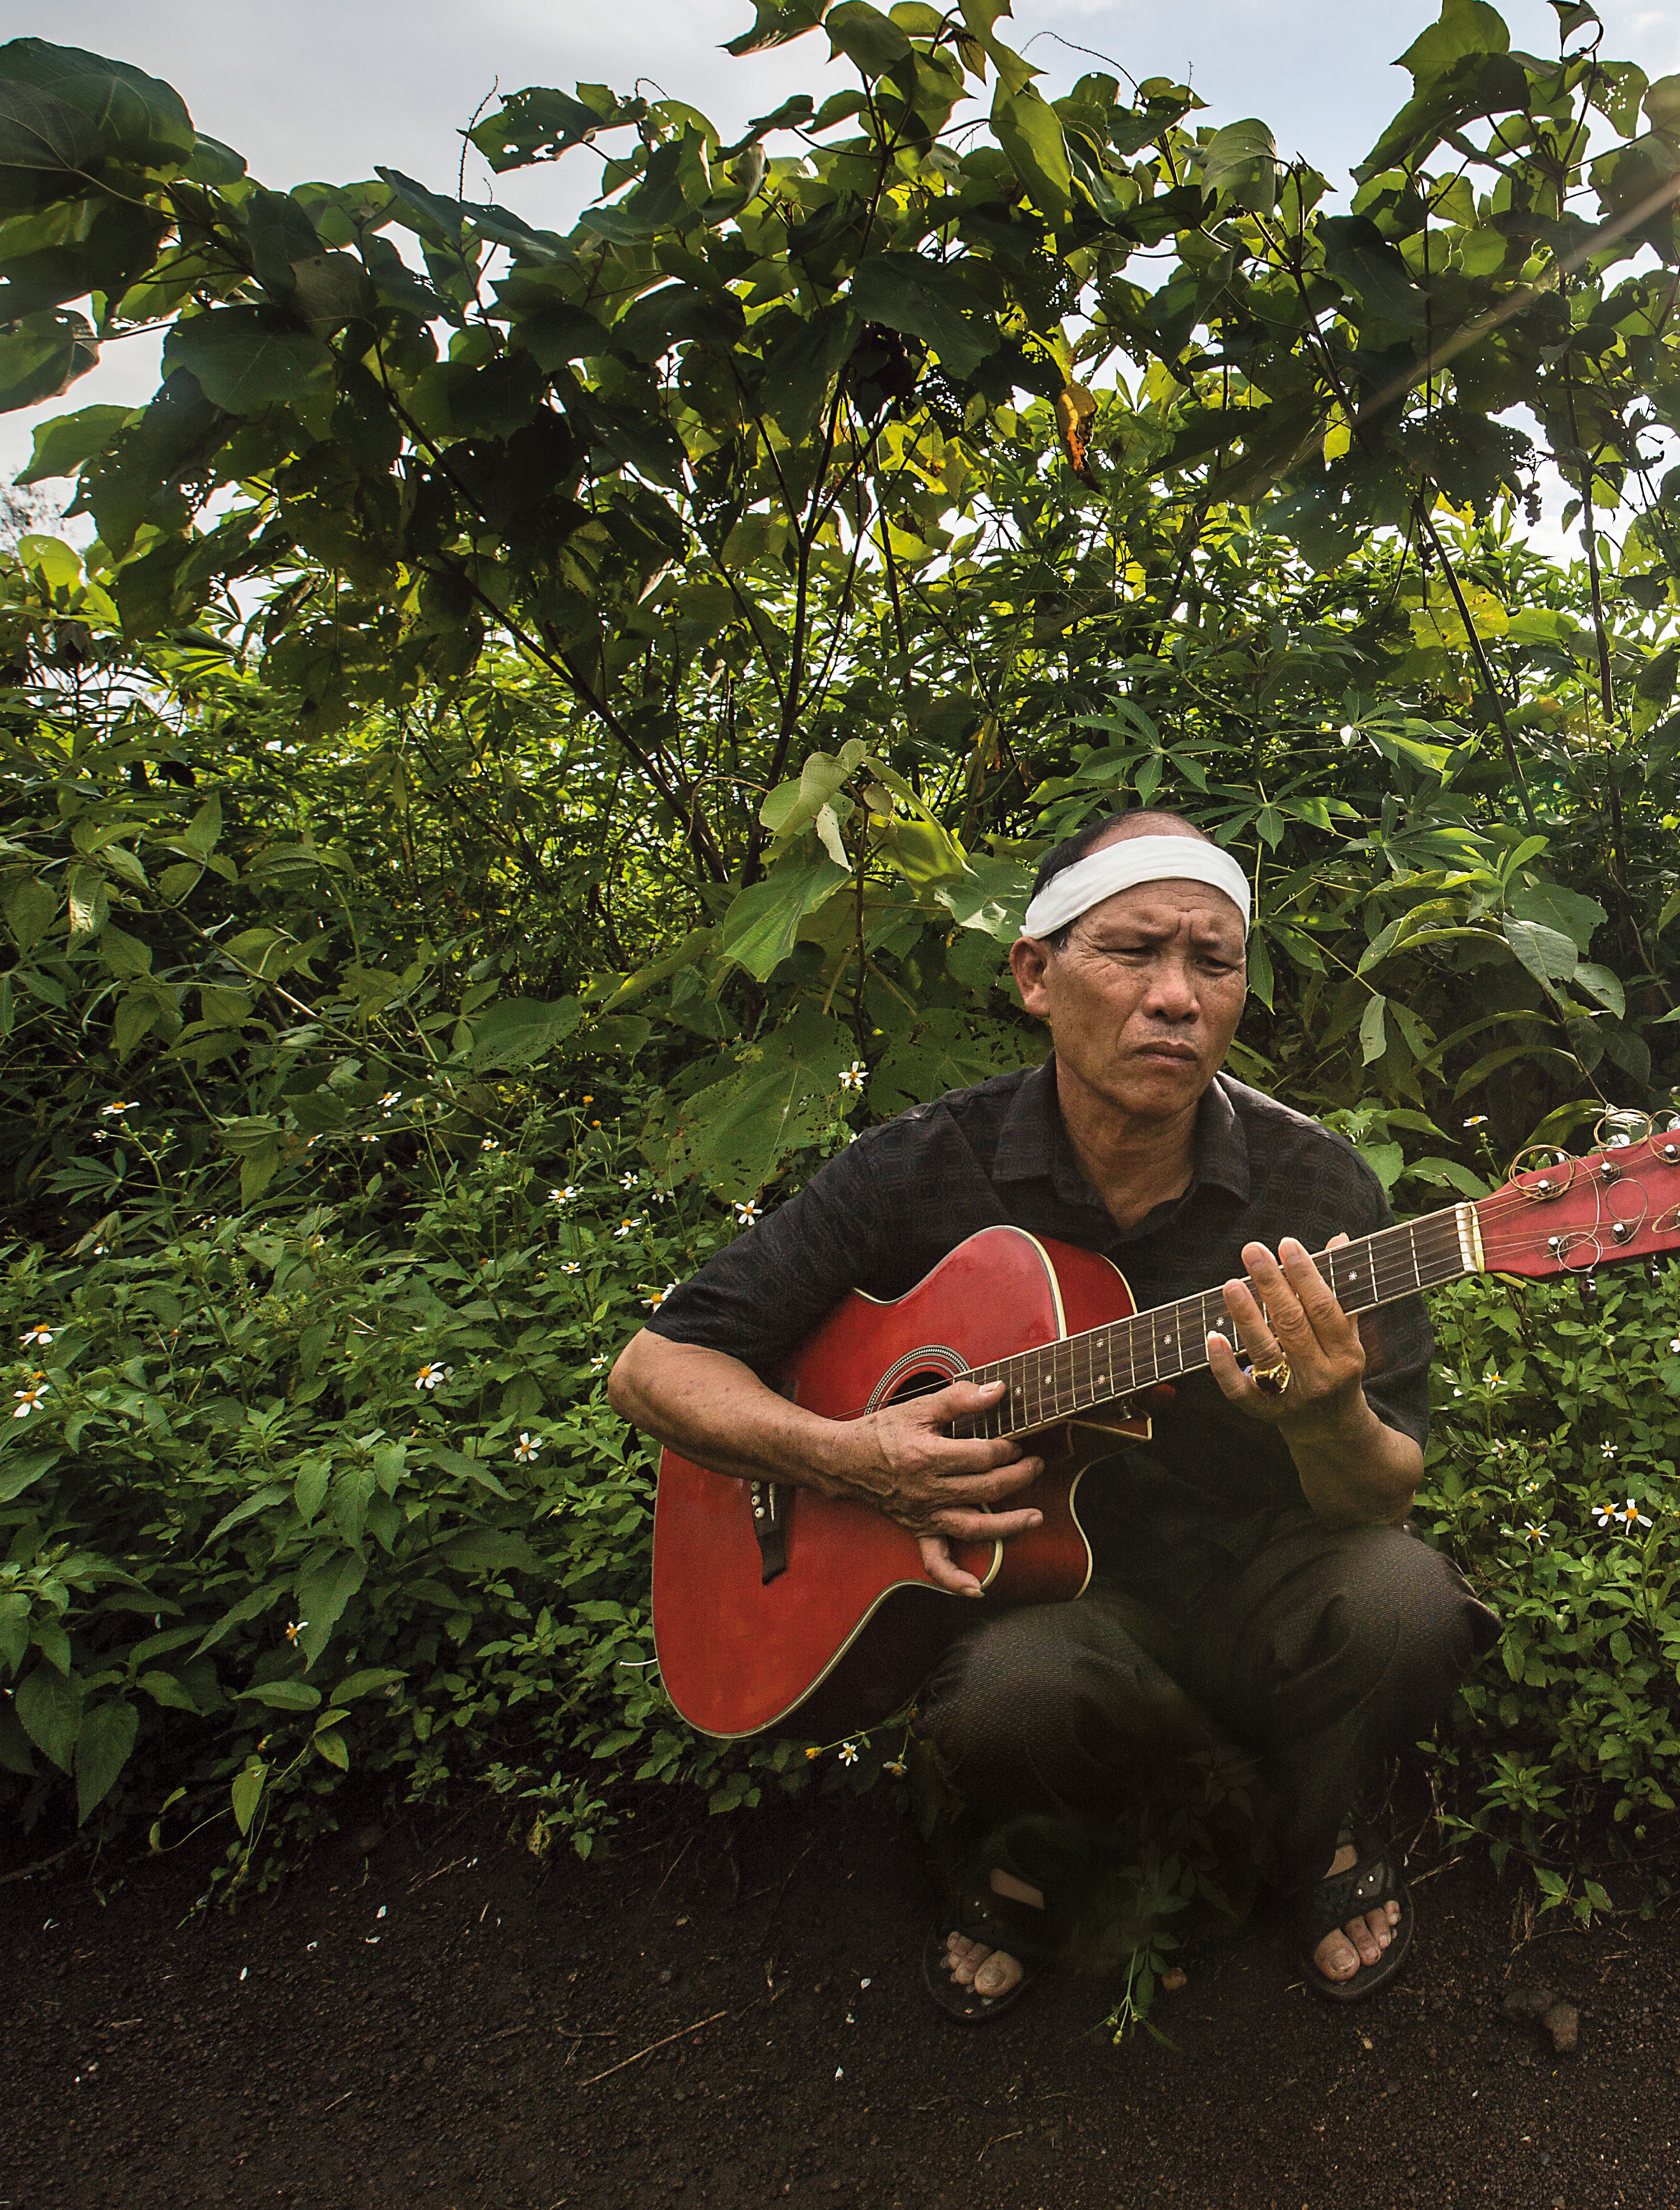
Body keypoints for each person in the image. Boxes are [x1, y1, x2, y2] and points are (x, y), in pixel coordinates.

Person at [605, 808, 1484, 2017]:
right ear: (1035, 973)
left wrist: (1326, 1415)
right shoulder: (923, 1166)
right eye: (1133, 951)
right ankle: (1022, 1862)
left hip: (1256, 1572)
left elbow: (1381, 1492)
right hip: (1043, 1601)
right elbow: (656, 1368)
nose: (1175, 996)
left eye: (1213, 962)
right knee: (1014, 1699)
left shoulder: (1316, 1189)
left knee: (1407, 1600)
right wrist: (851, 1457)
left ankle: (1312, 1831)